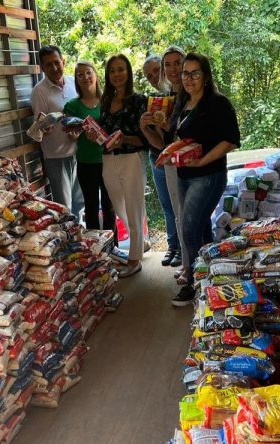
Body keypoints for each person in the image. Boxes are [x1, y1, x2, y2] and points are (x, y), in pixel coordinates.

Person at [142, 53, 240, 306]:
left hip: (207, 176)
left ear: (206, 77)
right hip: (184, 175)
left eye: (195, 73)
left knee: (188, 229)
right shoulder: (182, 102)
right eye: (185, 73)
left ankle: (194, 284)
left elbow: (230, 140)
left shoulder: (217, 103)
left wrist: (202, 160)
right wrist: (154, 125)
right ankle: (212, 278)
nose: (188, 78)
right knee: (202, 227)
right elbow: (176, 138)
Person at [98, 54, 148, 278]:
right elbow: (104, 133)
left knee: (133, 207)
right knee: (119, 206)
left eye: (121, 69)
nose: (117, 75)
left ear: (128, 72)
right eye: (112, 71)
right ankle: (141, 241)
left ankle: (134, 260)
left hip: (131, 159)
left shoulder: (139, 100)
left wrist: (125, 138)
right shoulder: (105, 101)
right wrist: (95, 136)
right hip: (108, 158)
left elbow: (144, 139)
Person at [141, 46, 186, 269]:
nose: (153, 77)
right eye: (148, 75)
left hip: (178, 158)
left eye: (156, 70)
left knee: (181, 207)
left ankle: (183, 250)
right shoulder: (153, 100)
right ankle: (173, 247)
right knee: (168, 206)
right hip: (156, 156)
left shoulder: (182, 94)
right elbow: (157, 138)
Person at [30, 45, 84, 218]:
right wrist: (45, 126)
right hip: (56, 157)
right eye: (48, 65)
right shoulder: (39, 91)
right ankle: (70, 243)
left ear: (63, 61)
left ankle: (83, 241)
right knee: (65, 208)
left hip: (79, 153)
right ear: (42, 68)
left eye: (56, 62)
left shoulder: (73, 83)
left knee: (81, 204)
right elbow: (41, 123)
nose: (54, 68)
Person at [63, 61, 116, 236]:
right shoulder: (72, 106)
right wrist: (76, 133)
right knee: (91, 207)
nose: (85, 77)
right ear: (76, 80)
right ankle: (97, 250)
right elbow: (71, 135)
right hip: (86, 163)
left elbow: (116, 128)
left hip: (109, 160)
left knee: (109, 206)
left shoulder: (109, 101)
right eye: (80, 75)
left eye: (88, 73)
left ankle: (113, 248)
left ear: (95, 74)